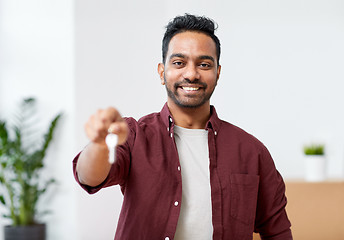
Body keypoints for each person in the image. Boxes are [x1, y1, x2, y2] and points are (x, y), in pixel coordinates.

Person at [73, 14, 292, 240]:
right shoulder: (134, 135)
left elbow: (277, 231)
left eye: (204, 64)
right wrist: (99, 144)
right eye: (179, 63)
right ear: (161, 72)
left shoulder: (251, 151)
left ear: (218, 73)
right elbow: (89, 177)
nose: (191, 74)